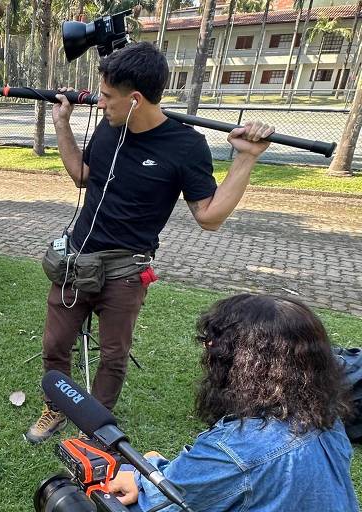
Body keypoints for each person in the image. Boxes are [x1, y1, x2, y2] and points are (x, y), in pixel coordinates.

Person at [26, 42, 276, 444]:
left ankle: (95, 425)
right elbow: (82, 175)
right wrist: (62, 125)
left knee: (113, 354)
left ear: (135, 99)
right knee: (55, 343)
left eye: (108, 96)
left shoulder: (184, 146)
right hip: (77, 257)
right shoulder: (109, 129)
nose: (100, 101)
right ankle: (56, 406)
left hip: (125, 271)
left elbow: (209, 217)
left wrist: (245, 157)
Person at [108, 294, 358, 512]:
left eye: (215, 347)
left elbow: (167, 498)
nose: (209, 352)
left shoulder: (238, 448)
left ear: (246, 365)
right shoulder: (326, 417)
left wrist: (143, 475)